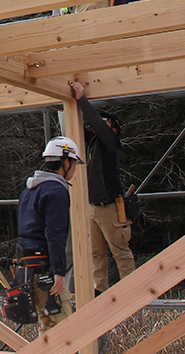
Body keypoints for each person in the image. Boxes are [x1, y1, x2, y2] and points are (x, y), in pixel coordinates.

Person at [70, 81, 136, 294]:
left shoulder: (111, 142)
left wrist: (82, 100)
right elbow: (79, 126)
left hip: (111, 207)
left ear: (114, 128)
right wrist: (69, 105)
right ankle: (100, 291)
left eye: (106, 121)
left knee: (120, 251)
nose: (101, 123)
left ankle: (130, 291)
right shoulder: (92, 144)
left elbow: (96, 125)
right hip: (93, 207)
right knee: (96, 254)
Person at [16, 136, 83, 334]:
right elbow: (55, 234)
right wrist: (59, 273)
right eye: (74, 165)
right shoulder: (56, 191)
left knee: (48, 328)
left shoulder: (29, 190)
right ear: (66, 162)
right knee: (66, 332)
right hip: (45, 270)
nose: (75, 170)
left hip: (27, 269)